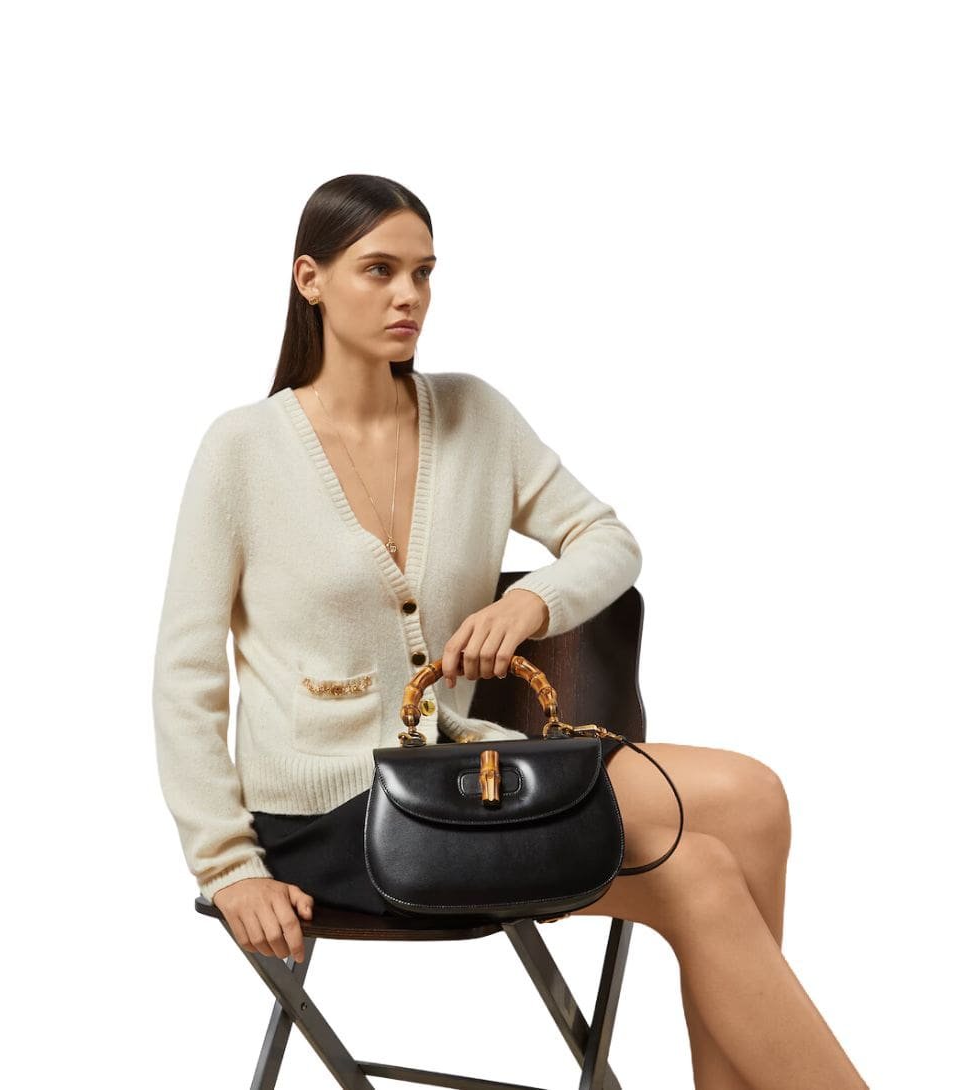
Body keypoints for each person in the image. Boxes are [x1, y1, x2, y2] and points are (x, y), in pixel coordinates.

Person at [152, 174, 868, 1090]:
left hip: (462, 775)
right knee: (696, 874)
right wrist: (227, 866)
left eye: (424, 273)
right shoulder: (242, 450)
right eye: (379, 270)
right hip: (329, 814)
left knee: (753, 798)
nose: (409, 296)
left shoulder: (475, 417)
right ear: (310, 280)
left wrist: (531, 605)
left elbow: (607, 539)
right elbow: (186, 675)